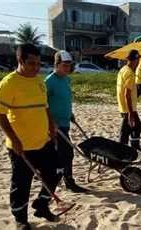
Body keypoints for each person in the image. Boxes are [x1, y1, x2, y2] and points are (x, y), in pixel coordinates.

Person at [0, 44, 61, 229]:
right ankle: (20, 219)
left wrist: (51, 128)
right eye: (31, 63)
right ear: (20, 61)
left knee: (55, 173)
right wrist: (14, 139)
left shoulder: (39, 81)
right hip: (21, 146)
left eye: (39, 63)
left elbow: (44, 107)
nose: (36, 67)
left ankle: (41, 205)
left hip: (43, 141)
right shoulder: (8, 83)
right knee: (22, 184)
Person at [45, 50, 88, 193]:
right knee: (67, 152)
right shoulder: (49, 81)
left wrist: (70, 114)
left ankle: (57, 177)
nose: (67, 68)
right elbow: (43, 104)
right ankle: (68, 181)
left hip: (65, 122)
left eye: (69, 65)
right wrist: (51, 122)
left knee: (60, 153)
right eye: (64, 65)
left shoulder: (66, 79)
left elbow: (65, 99)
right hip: (55, 125)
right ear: (56, 65)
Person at [117, 49, 141, 153]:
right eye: (138, 59)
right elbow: (127, 94)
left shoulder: (123, 69)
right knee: (127, 130)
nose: (139, 62)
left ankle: (133, 148)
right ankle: (124, 151)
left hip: (124, 106)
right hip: (128, 108)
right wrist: (130, 113)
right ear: (135, 60)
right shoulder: (130, 73)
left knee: (135, 126)